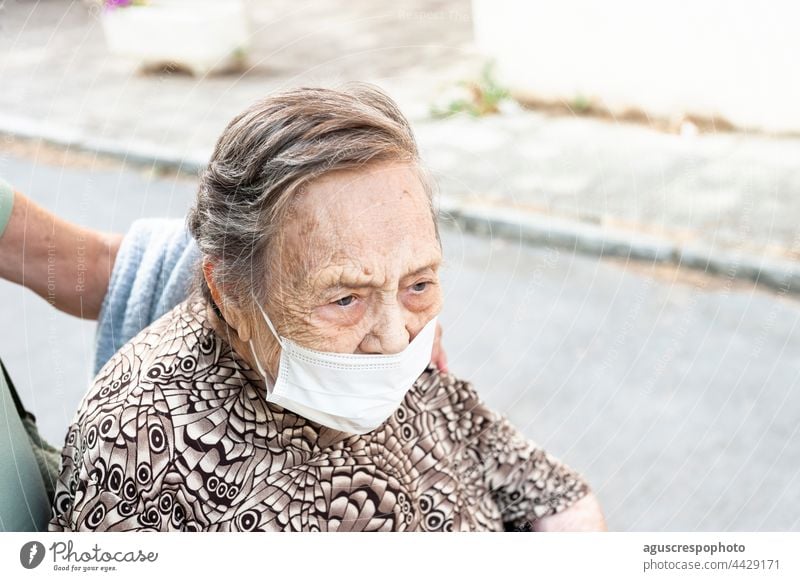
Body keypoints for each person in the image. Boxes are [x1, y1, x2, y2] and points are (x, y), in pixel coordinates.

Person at [45, 83, 605, 531]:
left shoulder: (406, 348)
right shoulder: (142, 457)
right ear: (230, 293)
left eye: (419, 284)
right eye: (344, 298)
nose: (394, 338)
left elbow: (553, 492)